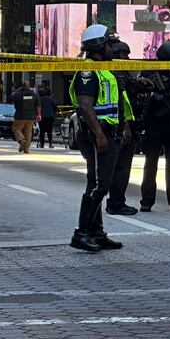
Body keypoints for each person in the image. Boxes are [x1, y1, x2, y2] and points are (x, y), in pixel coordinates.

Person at [69, 24, 135, 253]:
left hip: (110, 133)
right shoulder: (88, 71)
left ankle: (96, 233)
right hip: (96, 136)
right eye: (108, 44)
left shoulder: (105, 69)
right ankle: (82, 233)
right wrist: (99, 135)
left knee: (98, 184)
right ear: (97, 46)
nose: (112, 48)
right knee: (99, 185)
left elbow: (116, 101)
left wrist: (124, 126)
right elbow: (86, 106)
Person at [139, 41, 170, 213]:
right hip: (154, 125)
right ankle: (147, 200)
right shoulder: (150, 72)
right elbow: (138, 88)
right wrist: (151, 93)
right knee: (150, 164)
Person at [105, 40, 148, 216]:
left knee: (121, 167)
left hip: (122, 128)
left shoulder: (120, 75)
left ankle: (116, 201)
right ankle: (116, 202)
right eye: (124, 55)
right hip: (122, 128)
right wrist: (126, 128)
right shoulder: (116, 76)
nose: (127, 58)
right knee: (121, 168)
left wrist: (141, 83)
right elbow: (122, 103)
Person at [9, 81, 40, 154]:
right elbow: (38, 105)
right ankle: (26, 149)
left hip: (20, 116)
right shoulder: (34, 95)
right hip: (31, 117)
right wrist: (39, 114)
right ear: (29, 87)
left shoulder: (18, 94)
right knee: (28, 132)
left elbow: (10, 99)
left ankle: (22, 141)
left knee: (15, 129)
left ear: (22, 86)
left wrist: (16, 92)